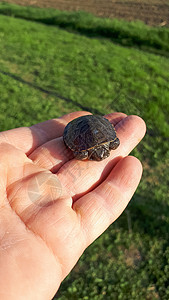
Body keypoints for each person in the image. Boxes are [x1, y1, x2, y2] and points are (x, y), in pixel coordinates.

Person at [0, 111, 146, 299]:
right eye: (98, 154)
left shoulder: (109, 143)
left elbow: (112, 141)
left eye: (104, 152)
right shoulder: (88, 151)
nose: (101, 156)